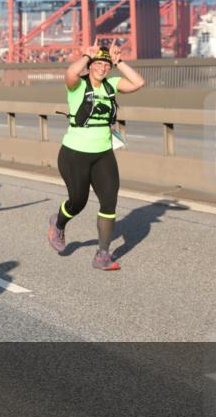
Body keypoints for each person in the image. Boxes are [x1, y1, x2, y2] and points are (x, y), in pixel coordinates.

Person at [48, 43, 145, 270]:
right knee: (78, 201)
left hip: (103, 154)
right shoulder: (78, 85)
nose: (102, 68)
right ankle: (58, 223)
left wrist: (119, 61)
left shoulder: (111, 85)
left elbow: (138, 83)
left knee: (109, 201)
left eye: (106, 65)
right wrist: (85, 56)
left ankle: (103, 255)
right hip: (74, 153)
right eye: (98, 64)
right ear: (90, 66)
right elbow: (70, 73)